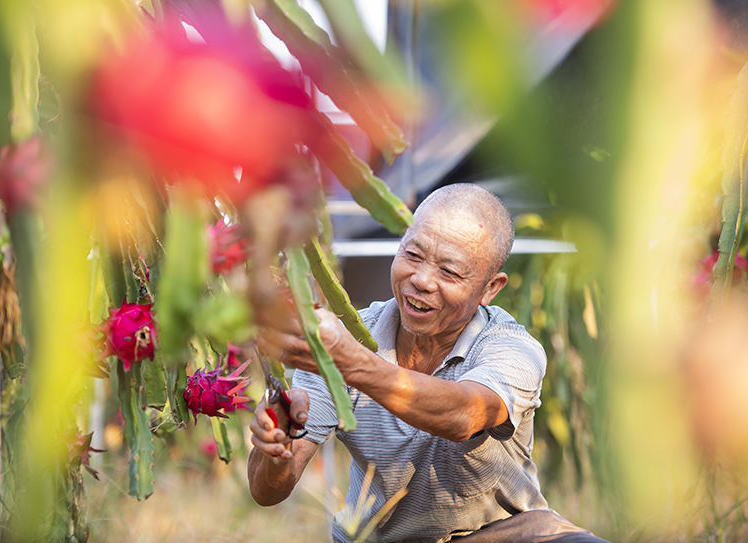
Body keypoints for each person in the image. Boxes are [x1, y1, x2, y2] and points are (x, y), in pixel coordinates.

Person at [249, 184, 608, 543]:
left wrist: (350, 361)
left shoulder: (512, 348)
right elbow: (267, 492)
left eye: (449, 272)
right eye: (413, 255)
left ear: (490, 288)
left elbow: (463, 414)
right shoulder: (347, 339)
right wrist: (276, 453)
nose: (421, 281)